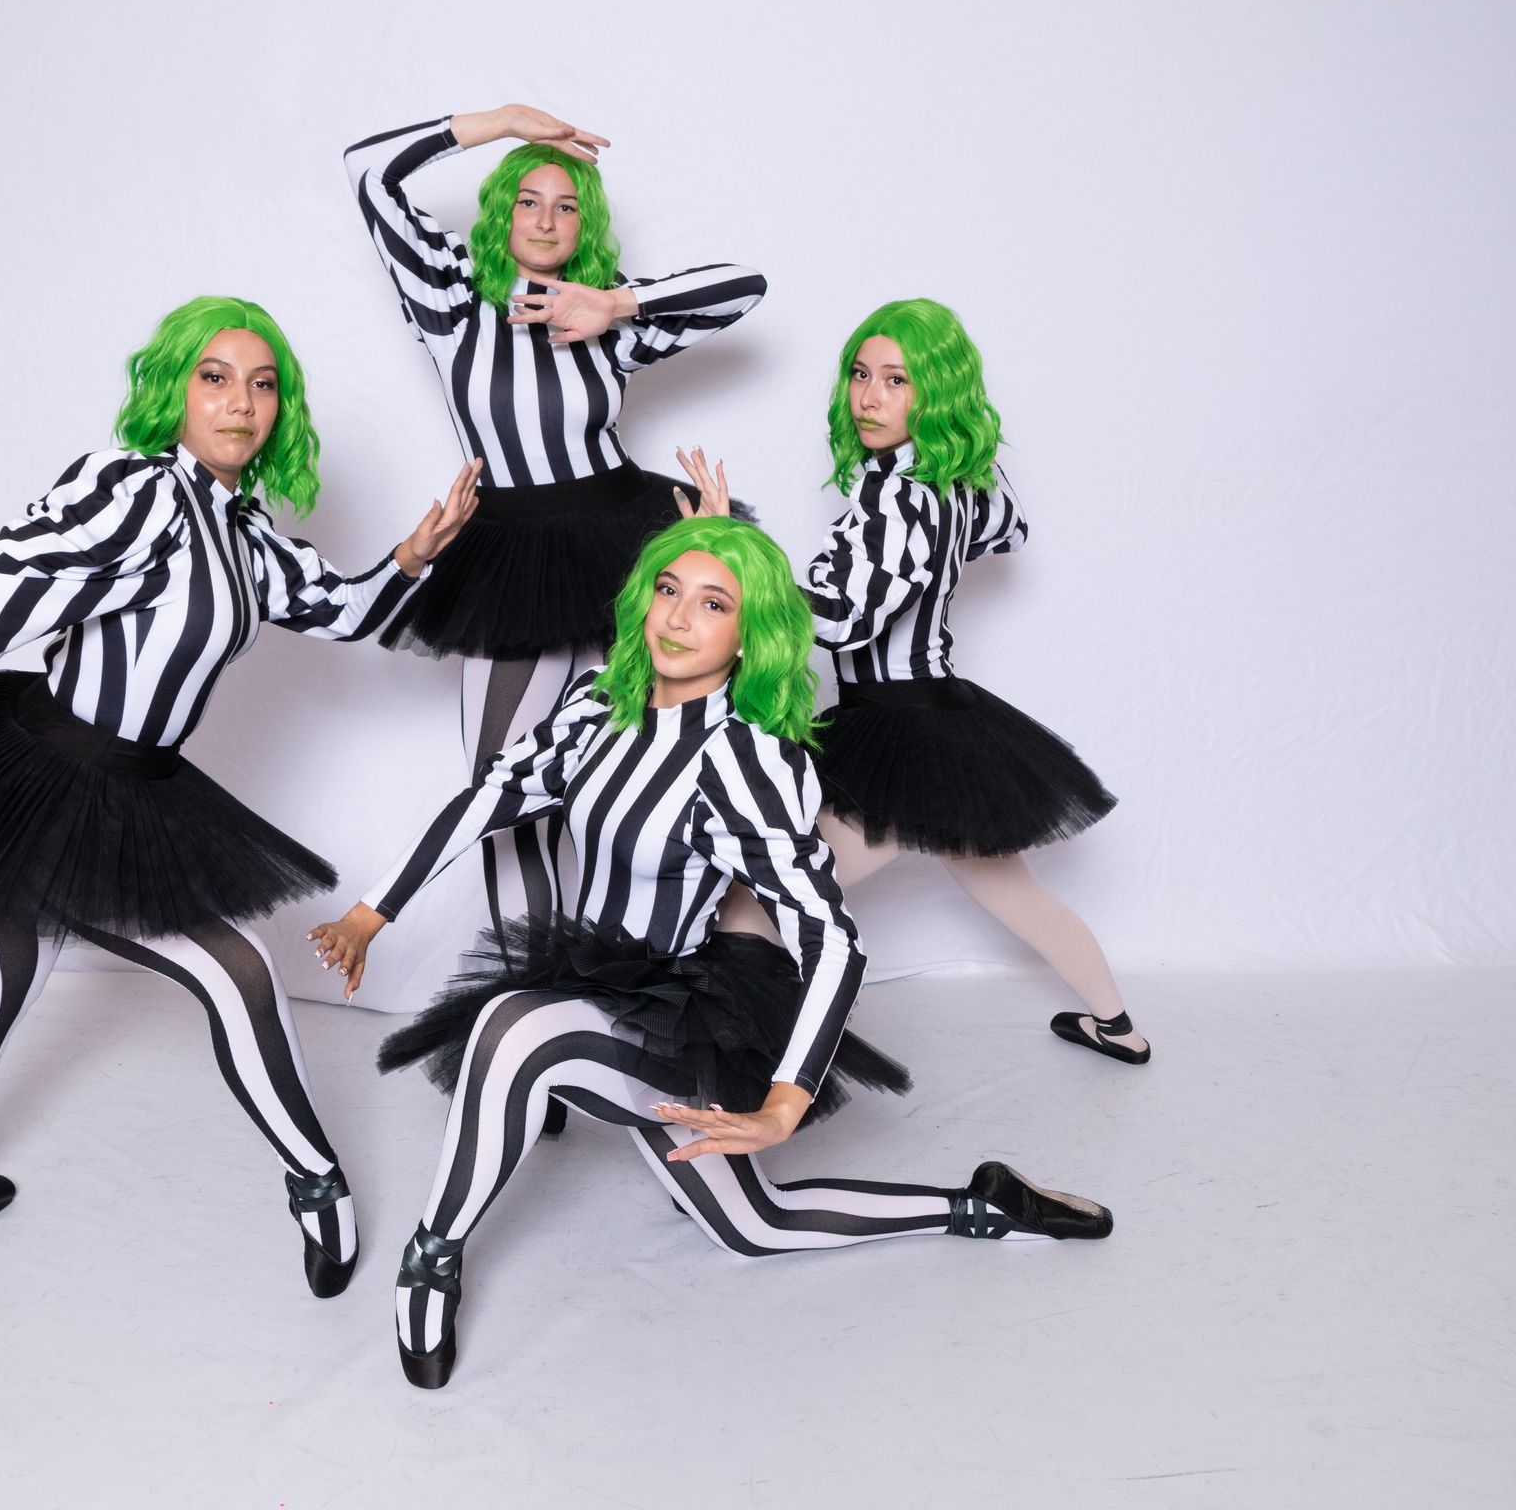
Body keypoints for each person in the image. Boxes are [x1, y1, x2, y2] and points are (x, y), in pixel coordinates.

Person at [309, 517, 1111, 1388]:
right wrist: (368, 914)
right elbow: (488, 800)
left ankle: (984, 1204)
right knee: (545, 1052)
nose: (678, 618)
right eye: (667, 590)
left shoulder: (746, 760)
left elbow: (831, 939)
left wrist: (783, 1103)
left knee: (744, 1220)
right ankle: (438, 1255)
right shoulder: (593, 705)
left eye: (713, 602)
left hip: (678, 1006)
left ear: (750, 634)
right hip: (588, 978)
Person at [0, 295, 478, 1297]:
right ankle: (319, 1181)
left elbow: (341, 610)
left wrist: (410, 560)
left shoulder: (242, 533)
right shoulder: (136, 491)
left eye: (262, 384)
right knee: (232, 971)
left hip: (134, 789)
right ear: (174, 389)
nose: (239, 403)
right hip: (48, 774)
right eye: (215, 377)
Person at [344, 104, 764, 944]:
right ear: (500, 213)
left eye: (566, 205)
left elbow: (745, 288)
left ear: (586, 225)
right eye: (528, 200)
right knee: (503, 786)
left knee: (647, 777)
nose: (545, 218)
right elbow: (368, 169)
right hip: (509, 563)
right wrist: (494, 122)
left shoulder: (605, 323)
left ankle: (655, 985)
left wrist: (617, 304)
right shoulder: (451, 300)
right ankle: (534, 998)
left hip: (628, 547)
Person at [717, 299, 1148, 1063]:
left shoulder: (895, 496)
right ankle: (1119, 1028)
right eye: (860, 375)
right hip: (945, 721)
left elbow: (843, 618)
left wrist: (737, 555)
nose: (870, 397)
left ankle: (739, 1062)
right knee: (1013, 894)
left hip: (897, 730)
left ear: (935, 394)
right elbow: (1004, 527)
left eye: (898, 381)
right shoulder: (948, 483)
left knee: (764, 901)